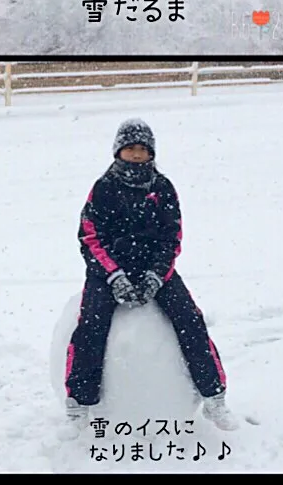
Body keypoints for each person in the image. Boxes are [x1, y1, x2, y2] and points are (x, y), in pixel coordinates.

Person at [64, 118, 239, 431]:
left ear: (151, 153)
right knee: (91, 324)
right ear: (118, 152)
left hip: (154, 269)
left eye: (142, 149)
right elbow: (90, 238)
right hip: (107, 271)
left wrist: (157, 275)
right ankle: (79, 401)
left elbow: (172, 237)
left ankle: (214, 397)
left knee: (190, 320)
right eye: (129, 148)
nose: (135, 154)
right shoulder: (103, 188)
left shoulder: (163, 188)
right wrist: (113, 275)